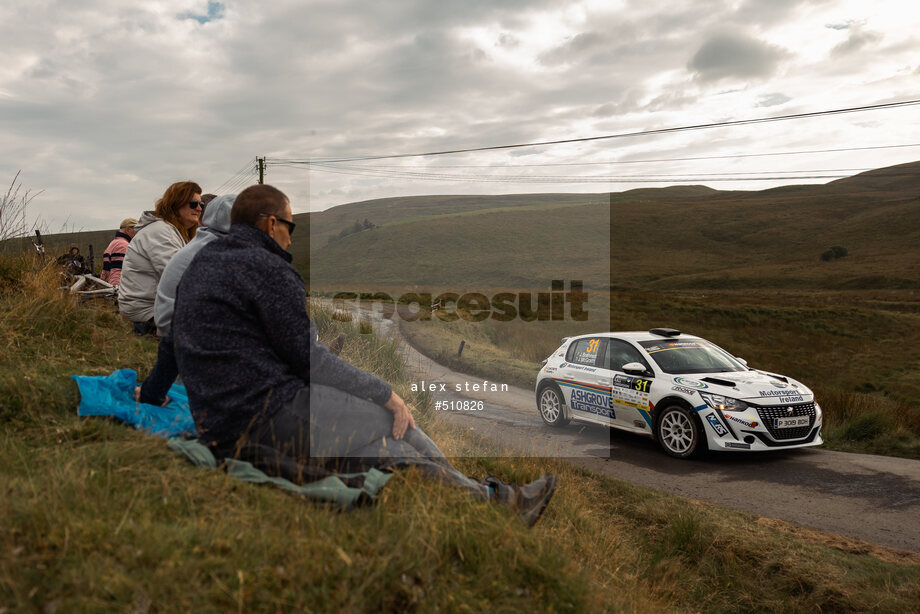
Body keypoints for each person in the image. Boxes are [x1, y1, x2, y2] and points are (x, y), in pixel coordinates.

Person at [172, 184, 557, 525]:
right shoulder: (271, 270)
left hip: (217, 425)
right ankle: (500, 502)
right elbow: (312, 361)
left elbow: (172, 340)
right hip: (262, 416)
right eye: (291, 226)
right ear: (271, 225)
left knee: (385, 447)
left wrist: (153, 392)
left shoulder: (202, 262)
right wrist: (387, 393)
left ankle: (485, 503)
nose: (292, 237)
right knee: (392, 416)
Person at [135, 195, 236, 406]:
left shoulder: (206, 241)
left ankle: (152, 392)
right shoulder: (216, 249)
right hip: (176, 321)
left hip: (173, 321)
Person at [117, 181, 202, 335]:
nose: (199, 208)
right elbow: (181, 277)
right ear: (177, 203)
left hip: (154, 306)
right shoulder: (161, 232)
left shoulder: (172, 231)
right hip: (147, 311)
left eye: (200, 204)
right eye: (193, 203)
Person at [100, 218, 137, 286]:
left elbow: (105, 272)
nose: (137, 233)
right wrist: (116, 289)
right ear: (128, 229)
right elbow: (117, 271)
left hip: (109, 285)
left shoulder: (113, 243)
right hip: (118, 288)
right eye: (136, 230)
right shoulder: (123, 245)